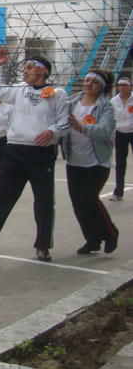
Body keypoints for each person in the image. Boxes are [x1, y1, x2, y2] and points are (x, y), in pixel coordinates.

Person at [0, 49, 70, 262]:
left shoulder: (57, 94)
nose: (25, 72)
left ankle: (43, 246)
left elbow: (65, 121)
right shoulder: (19, 89)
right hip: (15, 150)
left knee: (44, 201)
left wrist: (53, 132)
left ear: (42, 71)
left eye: (29, 68)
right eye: (25, 68)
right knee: (3, 195)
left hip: (41, 154)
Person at [62, 69, 119, 255]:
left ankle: (110, 233)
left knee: (88, 199)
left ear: (102, 87)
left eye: (94, 82)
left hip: (96, 162)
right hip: (74, 160)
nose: (88, 84)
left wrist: (81, 127)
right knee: (77, 203)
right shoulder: (72, 102)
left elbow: (104, 131)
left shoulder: (106, 107)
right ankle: (92, 240)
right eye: (87, 80)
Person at [110, 76, 133, 201]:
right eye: (120, 85)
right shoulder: (114, 101)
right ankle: (118, 192)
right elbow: (112, 119)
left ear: (130, 87)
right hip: (120, 133)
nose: (122, 88)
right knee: (120, 164)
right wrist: (112, 134)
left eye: (125, 85)